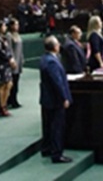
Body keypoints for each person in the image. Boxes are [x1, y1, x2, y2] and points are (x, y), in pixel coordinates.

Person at [39, 35, 73, 163]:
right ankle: (57, 154)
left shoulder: (44, 58)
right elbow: (57, 82)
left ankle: (47, 148)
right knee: (57, 127)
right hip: (55, 100)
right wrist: (64, 97)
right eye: (58, 44)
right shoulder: (52, 61)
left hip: (47, 99)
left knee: (48, 126)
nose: (59, 46)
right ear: (54, 47)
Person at [0, 20, 17, 116]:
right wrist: (9, 59)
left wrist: (11, 58)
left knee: (9, 84)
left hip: (6, 64)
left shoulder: (3, 38)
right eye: (3, 26)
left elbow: (8, 49)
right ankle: (2, 106)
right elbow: (0, 52)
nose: (5, 27)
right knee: (2, 85)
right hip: (0, 65)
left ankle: (4, 104)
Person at [7, 19, 25, 109]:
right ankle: (12, 100)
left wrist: (22, 59)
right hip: (13, 62)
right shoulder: (9, 36)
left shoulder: (17, 35)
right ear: (11, 26)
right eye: (16, 25)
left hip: (18, 61)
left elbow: (20, 49)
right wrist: (12, 60)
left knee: (16, 81)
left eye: (18, 24)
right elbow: (9, 49)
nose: (17, 26)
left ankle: (14, 99)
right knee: (13, 82)